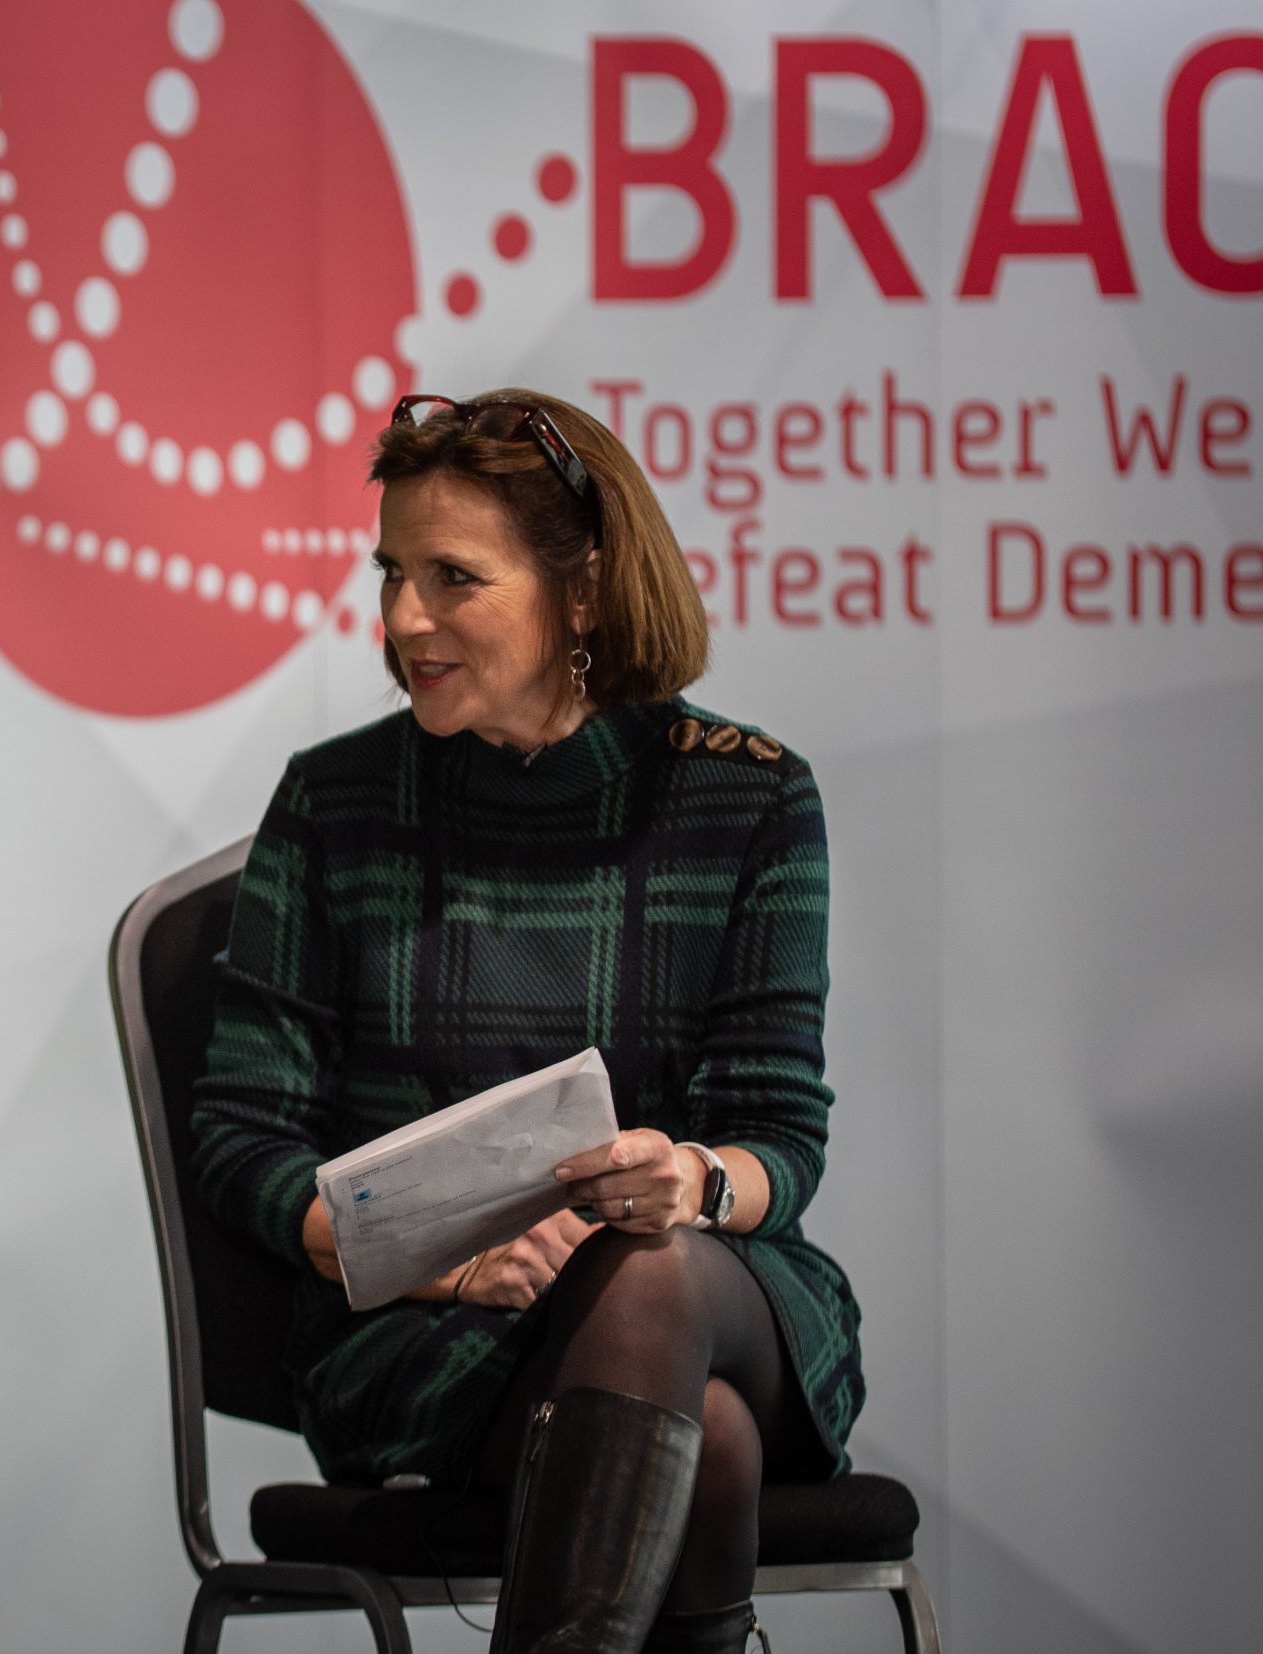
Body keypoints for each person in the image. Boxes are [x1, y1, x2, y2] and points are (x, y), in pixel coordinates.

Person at [191, 392, 862, 1654]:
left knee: (649, 1274)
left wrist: (689, 1179)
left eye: (452, 577)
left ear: (587, 593)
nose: (400, 620)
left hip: (715, 1284)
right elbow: (239, 1143)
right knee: (706, 1444)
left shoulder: (750, 797)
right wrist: (447, 1259)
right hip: (425, 1335)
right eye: (391, 572)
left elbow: (783, 1142)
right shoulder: (334, 802)